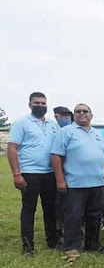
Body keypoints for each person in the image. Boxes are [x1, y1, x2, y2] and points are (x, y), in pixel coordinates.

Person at [51, 103, 104, 261]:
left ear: (91, 115)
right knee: (73, 216)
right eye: (78, 111)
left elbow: (102, 157)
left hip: (97, 183)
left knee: (95, 216)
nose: (82, 113)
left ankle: (92, 243)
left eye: (85, 111)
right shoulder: (66, 132)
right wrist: (60, 180)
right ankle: (72, 246)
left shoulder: (98, 134)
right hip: (75, 183)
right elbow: (56, 156)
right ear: (73, 115)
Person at [7, 92, 61, 255]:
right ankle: (28, 246)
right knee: (29, 209)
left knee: (50, 209)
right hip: (29, 173)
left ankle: (53, 241)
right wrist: (17, 174)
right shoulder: (22, 123)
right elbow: (12, 148)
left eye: (43, 103)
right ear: (30, 105)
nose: (40, 105)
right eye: (36, 103)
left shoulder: (53, 124)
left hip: (50, 173)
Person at [53, 106, 74, 245]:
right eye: (63, 115)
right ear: (56, 116)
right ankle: (59, 232)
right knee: (58, 205)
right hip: (56, 174)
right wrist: (60, 179)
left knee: (72, 206)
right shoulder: (54, 131)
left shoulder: (73, 131)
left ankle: (77, 230)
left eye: (68, 116)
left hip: (73, 175)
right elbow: (56, 156)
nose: (66, 118)